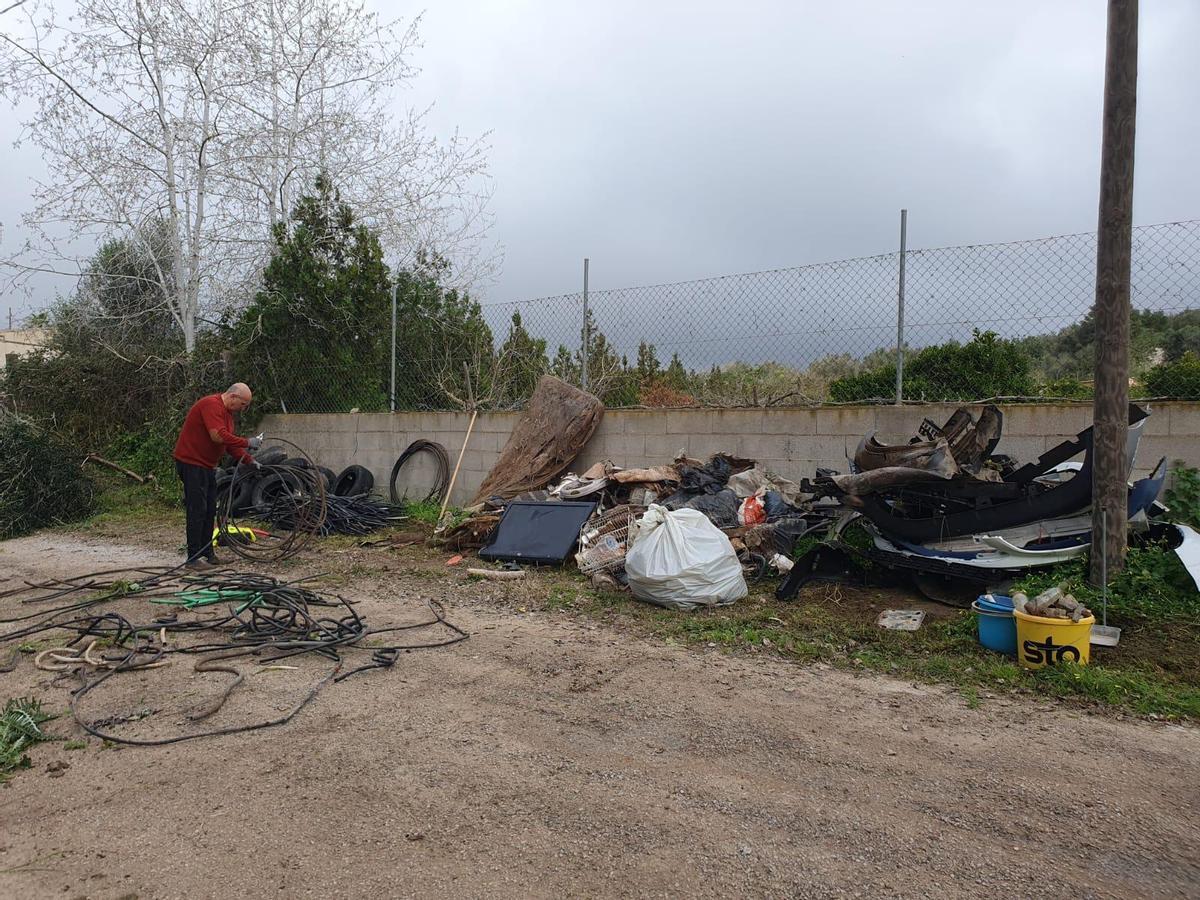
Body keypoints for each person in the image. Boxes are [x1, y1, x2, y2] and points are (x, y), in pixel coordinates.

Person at [172, 383, 261, 569]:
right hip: (191, 463)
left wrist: (249, 460)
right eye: (244, 404)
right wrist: (247, 442)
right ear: (233, 397)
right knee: (197, 509)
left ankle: (207, 553)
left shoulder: (227, 415)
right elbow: (218, 437)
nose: (244, 409)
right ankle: (193, 558)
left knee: (210, 509)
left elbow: (229, 444)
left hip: (206, 466)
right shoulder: (211, 405)